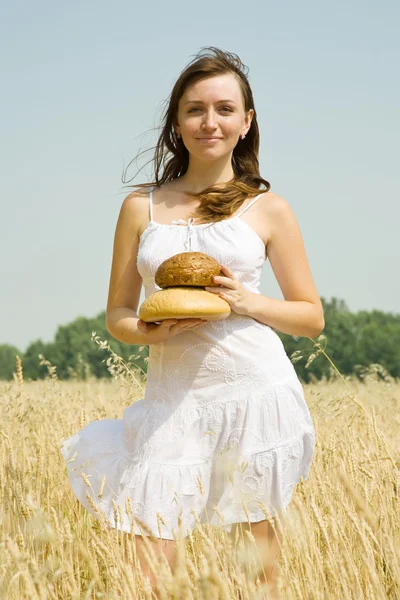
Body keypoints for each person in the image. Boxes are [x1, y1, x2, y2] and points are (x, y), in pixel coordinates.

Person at [60, 46, 324, 598]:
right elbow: (118, 313)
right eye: (195, 109)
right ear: (176, 122)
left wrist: (246, 302)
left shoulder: (267, 208)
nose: (211, 122)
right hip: (173, 395)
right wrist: (147, 332)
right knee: (151, 546)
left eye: (225, 109)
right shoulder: (142, 208)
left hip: (253, 389)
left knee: (254, 558)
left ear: (246, 122)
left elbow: (310, 317)